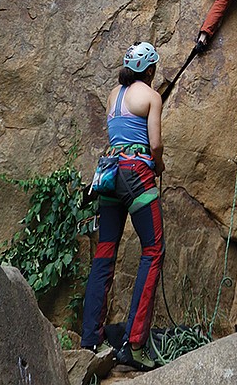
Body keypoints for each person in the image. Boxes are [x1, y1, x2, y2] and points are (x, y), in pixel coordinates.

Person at [81, 41, 165, 371]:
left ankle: (91, 338)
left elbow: (122, 133)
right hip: (136, 175)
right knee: (154, 249)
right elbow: (154, 143)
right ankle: (135, 343)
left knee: (105, 253)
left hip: (110, 175)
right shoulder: (151, 97)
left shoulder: (113, 94)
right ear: (150, 70)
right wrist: (158, 165)